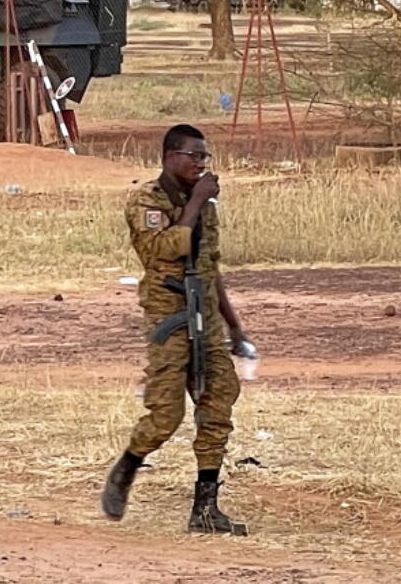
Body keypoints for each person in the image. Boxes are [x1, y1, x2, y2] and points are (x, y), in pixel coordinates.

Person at [102, 123, 250, 535]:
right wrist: (197, 201)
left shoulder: (204, 206)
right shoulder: (146, 200)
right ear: (170, 156)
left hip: (206, 316)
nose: (200, 164)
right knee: (166, 414)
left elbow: (209, 265)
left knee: (218, 401)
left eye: (205, 157)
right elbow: (164, 249)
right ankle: (127, 467)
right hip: (169, 315)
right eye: (193, 156)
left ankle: (205, 507)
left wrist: (234, 325)